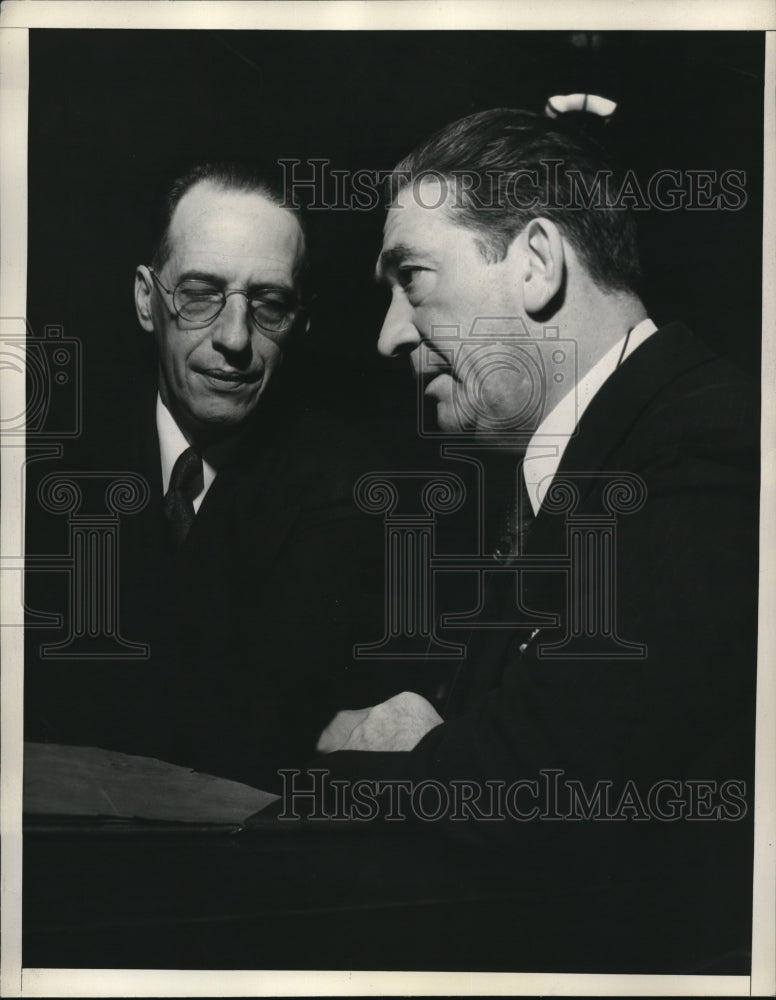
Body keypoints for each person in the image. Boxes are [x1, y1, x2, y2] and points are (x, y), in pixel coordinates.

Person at [268, 110, 759, 970]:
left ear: (536, 262)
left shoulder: (714, 446)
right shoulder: (603, 465)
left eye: (411, 278)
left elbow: (525, 792)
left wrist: (391, 754)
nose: (388, 335)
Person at [24, 162, 387, 790]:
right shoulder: (42, 459)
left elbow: (262, 720)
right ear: (146, 299)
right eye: (199, 294)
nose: (234, 338)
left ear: (301, 321)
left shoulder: (349, 481)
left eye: (269, 304)